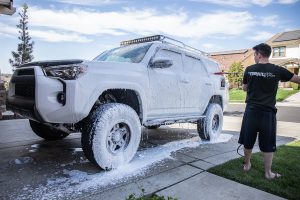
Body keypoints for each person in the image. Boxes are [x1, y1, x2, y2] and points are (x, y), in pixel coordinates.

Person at [238, 43, 300, 179]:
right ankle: (268, 173)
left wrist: (255, 83)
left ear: (259, 55)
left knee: (248, 140)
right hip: (268, 113)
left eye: (254, 54)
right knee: (268, 143)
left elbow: (244, 88)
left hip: (252, 111)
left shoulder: (249, 69)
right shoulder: (277, 70)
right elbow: (297, 79)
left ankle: (247, 165)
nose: (254, 57)